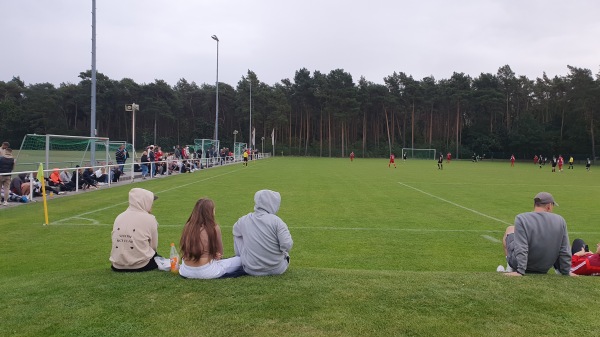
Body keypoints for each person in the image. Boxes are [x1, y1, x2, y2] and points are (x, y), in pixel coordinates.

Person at [498, 192, 573, 276]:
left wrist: (520, 271)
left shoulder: (521, 218)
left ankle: (509, 268)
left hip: (524, 266)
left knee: (510, 229)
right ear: (549, 206)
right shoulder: (560, 220)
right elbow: (565, 249)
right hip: (545, 266)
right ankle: (512, 268)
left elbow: (521, 246)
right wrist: (566, 271)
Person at [232, 190, 293, 276]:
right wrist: (283, 252)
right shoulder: (277, 221)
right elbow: (287, 244)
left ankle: (241, 258)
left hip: (251, 269)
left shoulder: (244, 220)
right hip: (277, 269)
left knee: (237, 235)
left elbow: (235, 232)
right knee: (284, 249)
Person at [178, 198, 243, 279]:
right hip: (206, 271)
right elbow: (220, 252)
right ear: (210, 211)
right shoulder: (214, 227)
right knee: (241, 260)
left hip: (185, 270)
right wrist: (215, 255)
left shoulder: (188, 226)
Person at [110, 188, 170, 272]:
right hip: (141, 265)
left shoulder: (119, 216)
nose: (152, 205)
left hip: (117, 264)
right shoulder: (150, 219)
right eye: (151, 202)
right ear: (145, 201)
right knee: (156, 256)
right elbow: (153, 246)